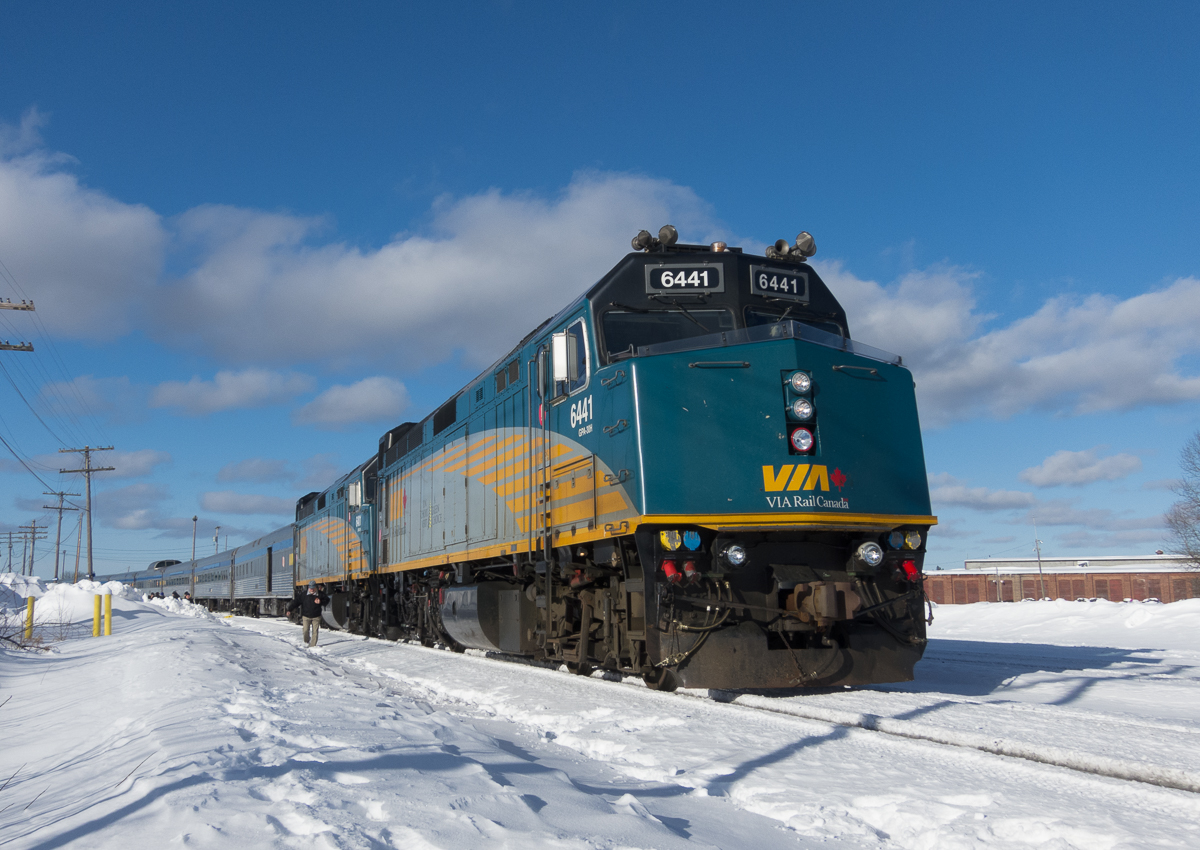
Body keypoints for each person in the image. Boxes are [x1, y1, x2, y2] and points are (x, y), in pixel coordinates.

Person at [287, 582, 329, 648]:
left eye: (313, 588)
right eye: (310, 588)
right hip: (306, 616)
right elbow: (296, 602)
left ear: (316, 587)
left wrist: (321, 601)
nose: (312, 590)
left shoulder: (320, 594)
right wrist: (289, 609)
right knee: (305, 630)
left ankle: (313, 646)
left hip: (316, 616)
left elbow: (327, 600)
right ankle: (306, 642)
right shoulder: (304, 595)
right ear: (308, 588)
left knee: (315, 632)